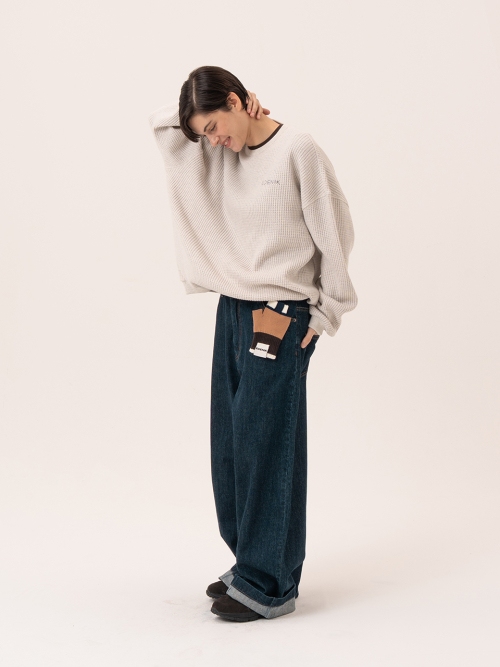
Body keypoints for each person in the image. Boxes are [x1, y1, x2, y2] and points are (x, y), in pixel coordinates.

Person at [149, 65, 358, 622]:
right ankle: (250, 560)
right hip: (234, 309)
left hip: (281, 312)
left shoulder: (297, 149)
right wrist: (216, 113)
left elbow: (335, 232)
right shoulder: (225, 155)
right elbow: (164, 128)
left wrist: (328, 310)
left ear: (238, 102)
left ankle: (270, 582)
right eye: (206, 134)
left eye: (215, 126)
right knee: (231, 444)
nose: (213, 141)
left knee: (268, 444)